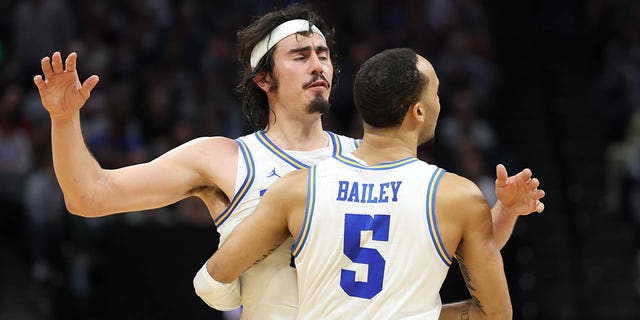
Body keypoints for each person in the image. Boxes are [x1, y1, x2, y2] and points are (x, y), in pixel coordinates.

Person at [33, 3, 542, 319]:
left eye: (323, 54)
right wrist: (62, 121)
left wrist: (505, 214)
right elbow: (88, 197)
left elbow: (453, 244)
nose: (319, 64)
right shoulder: (224, 158)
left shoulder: (366, 158)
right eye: (300, 55)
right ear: (264, 79)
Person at [202, 48, 512, 319]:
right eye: (435, 94)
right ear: (418, 111)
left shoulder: (299, 188)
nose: (438, 103)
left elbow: (211, 280)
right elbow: (495, 313)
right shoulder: (457, 196)